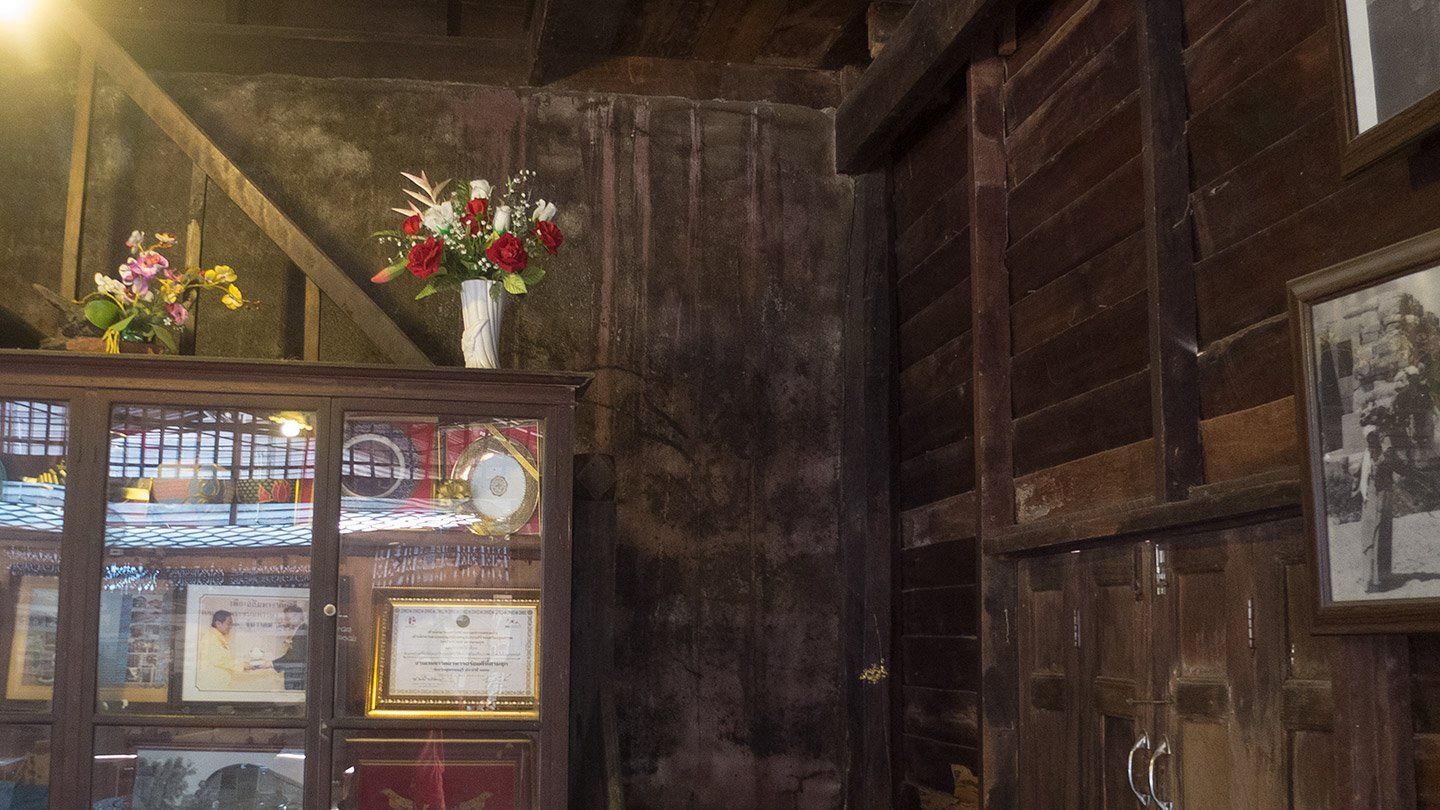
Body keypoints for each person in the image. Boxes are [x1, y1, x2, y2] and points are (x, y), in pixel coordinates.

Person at [196, 609, 243, 690]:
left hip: (220, 683)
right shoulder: (210, 639)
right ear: (218, 623)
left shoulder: (219, 637)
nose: (231, 627)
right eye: (228, 624)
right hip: (212, 685)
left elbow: (224, 659)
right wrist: (241, 665)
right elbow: (219, 660)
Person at [271, 604, 307, 691]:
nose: (287, 620)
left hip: (297, 675)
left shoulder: (303, 631)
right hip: (294, 673)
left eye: (288, 618)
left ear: (298, 616)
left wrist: (272, 664)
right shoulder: (299, 629)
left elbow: (295, 655)